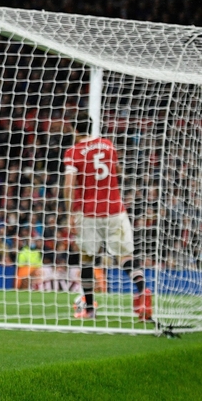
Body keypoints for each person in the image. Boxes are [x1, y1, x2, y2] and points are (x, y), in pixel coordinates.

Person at [63, 115, 151, 320]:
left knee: (87, 259)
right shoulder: (108, 146)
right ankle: (143, 292)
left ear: (74, 130)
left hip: (89, 212)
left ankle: (89, 309)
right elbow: (117, 170)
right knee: (125, 257)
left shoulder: (73, 152)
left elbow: (69, 184)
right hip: (115, 210)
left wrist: (70, 212)